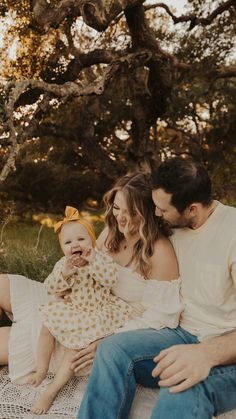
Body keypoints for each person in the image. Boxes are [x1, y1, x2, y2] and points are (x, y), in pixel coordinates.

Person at [0, 172, 182, 415]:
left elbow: (162, 318)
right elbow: (82, 267)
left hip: (104, 326)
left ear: (149, 211)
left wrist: (108, 342)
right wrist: (65, 287)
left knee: (6, 340)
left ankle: (48, 382)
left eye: (132, 213)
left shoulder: (159, 250)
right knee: (2, 284)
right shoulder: (110, 231)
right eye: (117, 208)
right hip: (78, 299)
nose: (121, 218)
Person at [77, 157, 236, 419]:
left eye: (162, 209)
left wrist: (206, 354)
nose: (156, 213)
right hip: (181, 334)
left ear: (192, 209)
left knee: (183, 385)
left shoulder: (230, 234)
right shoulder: (172, 224)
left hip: (224, 351)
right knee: (112, 348)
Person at [29, 205, 132, 414]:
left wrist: (92, 261)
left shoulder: (100, 259)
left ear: (92, 241)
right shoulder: (64, 265)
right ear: (63, 248)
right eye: (68, 242)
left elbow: (109, 279)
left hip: (97, 313)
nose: (75, 244)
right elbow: (51, 287)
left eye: (81, 239)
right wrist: (65, 274)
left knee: (73, 352)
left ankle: (53, 389)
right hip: (75, 309)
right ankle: (42, 367)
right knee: (46, 326)